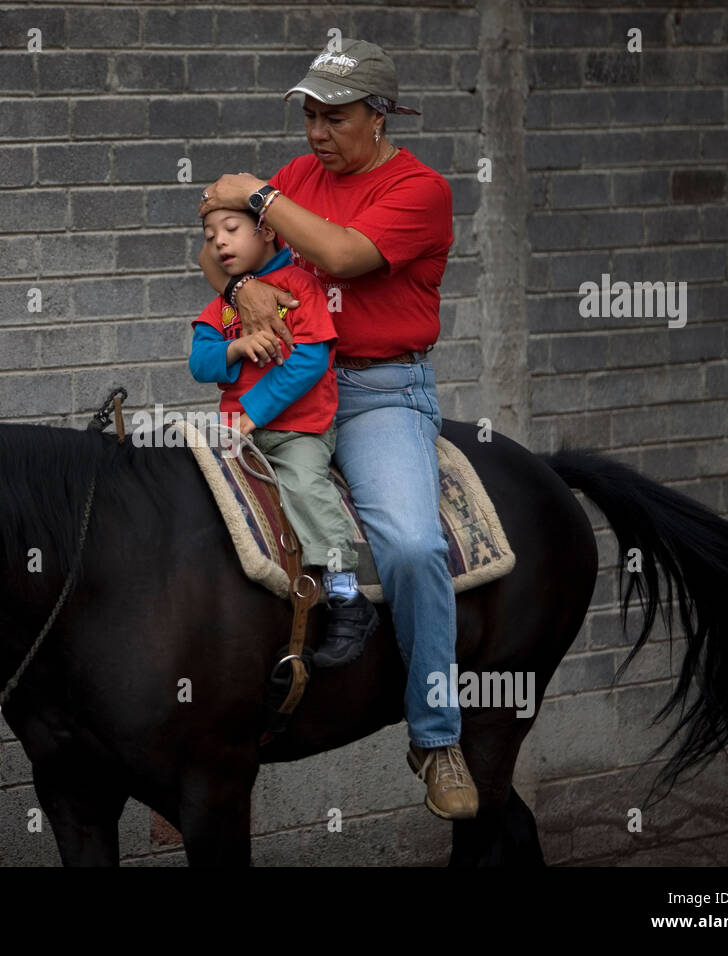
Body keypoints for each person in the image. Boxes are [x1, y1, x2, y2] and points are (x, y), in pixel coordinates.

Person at [195, 39, 479, 820]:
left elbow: (346, 255)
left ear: (380, 115)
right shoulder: (295, 180)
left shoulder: (421, 189)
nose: (318, 133)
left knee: (414, 544)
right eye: (311, 115)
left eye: (337, 116)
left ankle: (436, 734)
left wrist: (255, 192)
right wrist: (246, 282)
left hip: (376, 392)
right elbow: (216, 242)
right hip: (285, 377)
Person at [190, 205, 379, 663]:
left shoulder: (299, 288)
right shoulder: (224, 305)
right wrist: (234, 346)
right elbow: (199, 363)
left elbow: (310, 362)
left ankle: (346, 595)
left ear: (268, 232)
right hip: (237, 432)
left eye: (231, 230)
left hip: (297, 431)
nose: (219, 242)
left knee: (305, 489)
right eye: (211, 234)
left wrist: (253, 412)